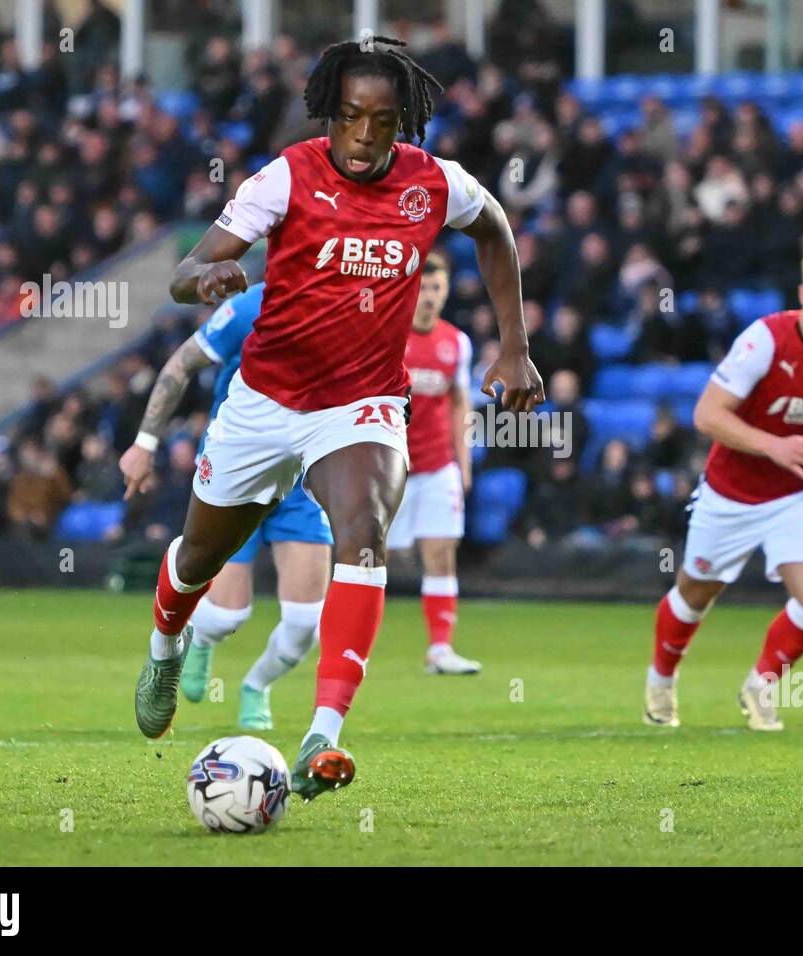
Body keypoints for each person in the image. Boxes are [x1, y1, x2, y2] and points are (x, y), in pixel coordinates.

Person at [129, 36, 543, 805]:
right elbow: (188, 269)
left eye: (381, 120)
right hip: (264, 402)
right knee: (196, 560)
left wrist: (514, 348)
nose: (362, 135)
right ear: (329, 113)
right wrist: (208, 276)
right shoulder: (286, 176)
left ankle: (324, 732)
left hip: (359, 404)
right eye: (349, 116)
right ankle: (163, 646)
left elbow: (496, 231)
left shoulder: (435, 184)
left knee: (365, 529)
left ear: (403, 123)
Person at [643, 245, 803, 732]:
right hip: (730, 492)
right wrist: (776, 447)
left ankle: (761, 687)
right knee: (694, 594)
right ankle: (661, 679)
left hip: (797, 493)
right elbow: (707, 415)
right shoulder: (765, 340)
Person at [119, 281, 333, 731]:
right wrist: (144, 443)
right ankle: (190, 642)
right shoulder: (251, 305)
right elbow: (179, 366)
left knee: (304, 624)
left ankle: (257, 687)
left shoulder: (351, 305)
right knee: (227, 614)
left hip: (303, 477)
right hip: (239, 466)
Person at [385, 252, 482, 674]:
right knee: (370, 556)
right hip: (391, 465)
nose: (429, 296)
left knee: (441, 552)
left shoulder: (456, 342)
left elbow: (460, 400)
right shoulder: (387, 334)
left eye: (437, 288)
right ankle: (346, 646)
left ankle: (440, 650)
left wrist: (464, 463)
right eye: (423, 287)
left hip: (438, 462)